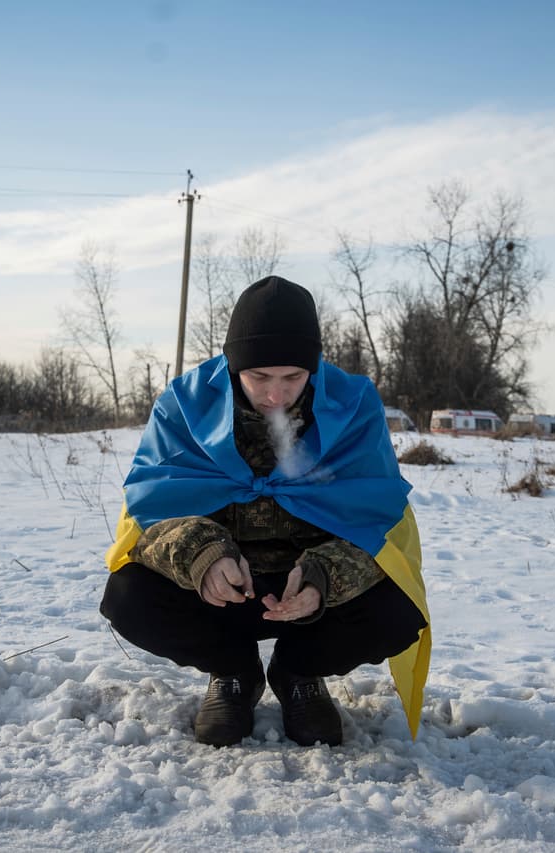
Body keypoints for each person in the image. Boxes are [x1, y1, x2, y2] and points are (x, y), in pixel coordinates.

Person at [101, 276, 431, 747]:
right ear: (234, 367)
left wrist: (322, 578)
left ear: (313, 369)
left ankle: (299, 673)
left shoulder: (353, 408)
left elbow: (378, 525)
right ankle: (234, 672)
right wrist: (203, 556)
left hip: (309, 600)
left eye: (293, 378)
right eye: (260, 378)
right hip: (222, 594)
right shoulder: (184, 408)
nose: (276, 396)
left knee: (399, 607)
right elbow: (149, 517)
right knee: (129, 596)